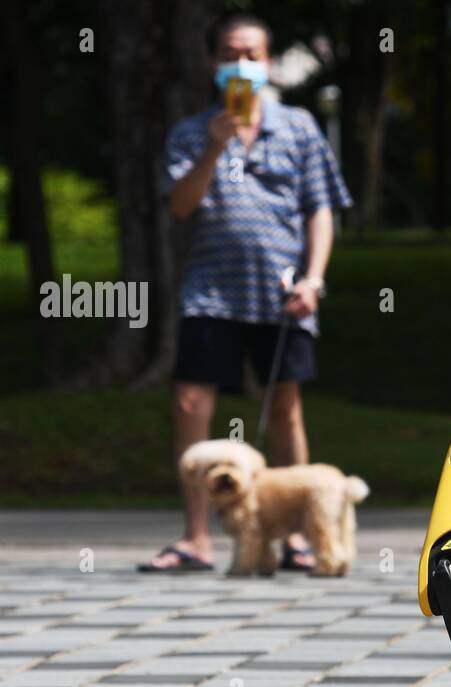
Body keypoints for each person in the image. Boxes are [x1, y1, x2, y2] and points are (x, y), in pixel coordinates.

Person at [140, 12, 352, 572]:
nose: (242, 65)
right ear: (212, 63)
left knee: (284, 410)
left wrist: (315, 278)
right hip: (210, 290)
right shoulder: (190, 133)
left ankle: (298, 538)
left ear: (269, 61)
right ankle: (197, 539)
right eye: (232, 54)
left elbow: (320, 210)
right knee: (190, 404)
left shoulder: (300, 127)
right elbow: (181, 206)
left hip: (283, 291)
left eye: (253, 55)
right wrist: (213, 148)